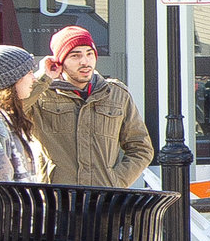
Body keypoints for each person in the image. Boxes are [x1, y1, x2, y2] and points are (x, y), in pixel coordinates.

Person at [28, 27, 153, 187]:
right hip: (57, 201)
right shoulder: (43, 94)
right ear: (60, 62)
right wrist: (43, 77)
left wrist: (116, 182)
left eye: (89, 53)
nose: (85, 61)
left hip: (103, 201)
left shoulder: (116, 93)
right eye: (75, 56)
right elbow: (11, 110)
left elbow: (141, 147)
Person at [0, 45, 46, 181]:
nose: (34, 78)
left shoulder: (9, 119)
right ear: (13, 78)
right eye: (29, 72)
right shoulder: (0, 124)